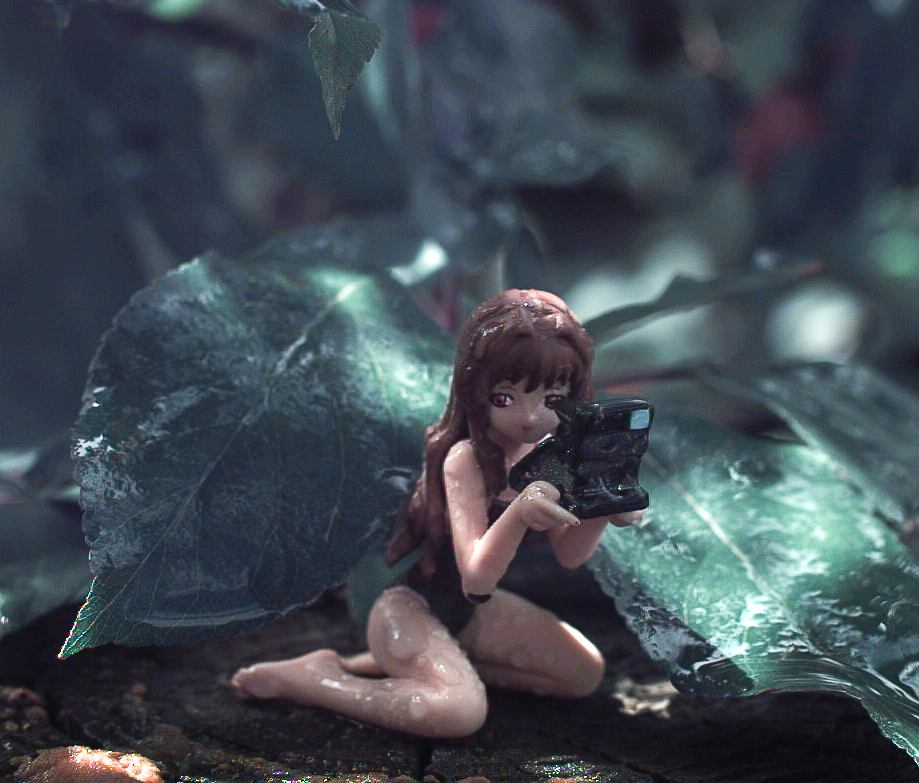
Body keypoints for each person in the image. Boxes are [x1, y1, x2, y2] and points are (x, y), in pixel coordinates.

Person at [231, 289, 644, 736]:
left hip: (472, 617)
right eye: (505, 398)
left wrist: (605, 509)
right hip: (411, 610)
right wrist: (520, 513)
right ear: (474, 392)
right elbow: (477, 578)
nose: (529, 417)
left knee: (582, 674)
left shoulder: (552, 456)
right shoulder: (465, 459)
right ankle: (317, 679)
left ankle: (421, 665)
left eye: (551, 399)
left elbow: (570, 556)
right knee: (458, 714)